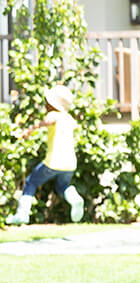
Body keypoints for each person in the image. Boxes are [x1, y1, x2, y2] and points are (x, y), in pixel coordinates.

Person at [5, 84, 84, 225]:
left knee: (31, 182)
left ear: (53, 104)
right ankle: (74, 198)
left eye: (47, 102)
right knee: (62, 187)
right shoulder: (69, 118)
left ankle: (22, 215)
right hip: (70, 163)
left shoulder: (54, 115)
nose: (46, 104)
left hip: (54, 161)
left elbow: (49, 121)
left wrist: (31, 128)